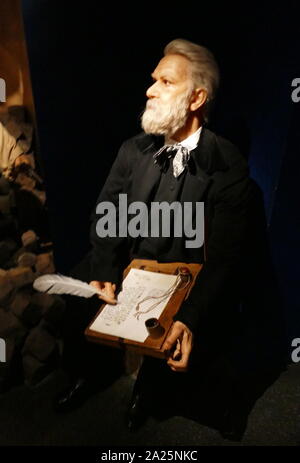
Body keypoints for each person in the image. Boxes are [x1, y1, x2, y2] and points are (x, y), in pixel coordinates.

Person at [56, 39, 286, 439]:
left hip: (184, 271)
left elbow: (226, 257)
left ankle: (149, 388)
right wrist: (107, 269)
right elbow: (105, 216)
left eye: (165, 81)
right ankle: (86, 373)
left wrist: (191, 316)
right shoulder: (132, 150)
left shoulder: (228, 163)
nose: (150, 89)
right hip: (133, 259)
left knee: (197, 329)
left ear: (197, 97)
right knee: (80, 287)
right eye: (153, 80)